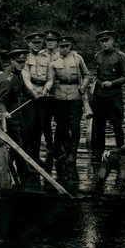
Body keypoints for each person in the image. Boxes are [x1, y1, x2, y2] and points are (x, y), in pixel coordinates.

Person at [43, 35, 90, 165]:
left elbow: (86, 74)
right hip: (60, 97)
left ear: (70, 47)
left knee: (74, 126)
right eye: (62, 47)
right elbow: (50, 79)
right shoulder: (53, 63)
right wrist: (46, 88)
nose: (64, 49)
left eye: (67, 46)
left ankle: (72, 154)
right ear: (58, 47)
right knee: (62, 126)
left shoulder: (77, 58)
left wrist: (84, 85)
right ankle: (66, 151)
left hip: (75, 96)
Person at [0, 49, 39, 176]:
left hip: (17, 112)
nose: (21, 64)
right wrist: (5, 112)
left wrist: (34, 96)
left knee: (23, 140)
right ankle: (4, 169)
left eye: (23, 61)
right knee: (17, 144)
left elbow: (23, 88)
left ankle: (21, 167)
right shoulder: (7, 80)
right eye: (18, 62)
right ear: (11, 62)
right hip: (9, 115)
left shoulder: (18, 73)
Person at [90, 30, 125, 162]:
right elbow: (97, 75)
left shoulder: (121, 56)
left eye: (107, 40)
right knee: (98, 124)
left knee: (117, 125)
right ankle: (98, 151)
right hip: (100, 96)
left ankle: (121, 151)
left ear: (112, 40)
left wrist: (112, 83)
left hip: (114, 95)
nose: (104, 43)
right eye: (102, 41)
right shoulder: (98, 56)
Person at [21, 32, 53, 164]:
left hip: (43, 96)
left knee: (40, 126)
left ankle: (35, 156)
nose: (36, 45)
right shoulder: (25, 59)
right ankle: (25, 157)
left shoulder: (46, 59)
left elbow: (50, 78)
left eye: (39, 43)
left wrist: (46, 89)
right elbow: (25, 77)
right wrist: (33, 92)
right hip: (30, 96)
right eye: (34, 43)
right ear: (29, 44)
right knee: (29, 127)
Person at [39, 29, 61, 156]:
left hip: (59, 92)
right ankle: (49, 143)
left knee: (60, 120)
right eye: (48, 40)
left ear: (57, 42)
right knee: (45, 120)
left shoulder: (62, 54)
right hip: (45, 93)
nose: (50, 43)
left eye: (52, 40)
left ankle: (59, 143)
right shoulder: (41, 54)